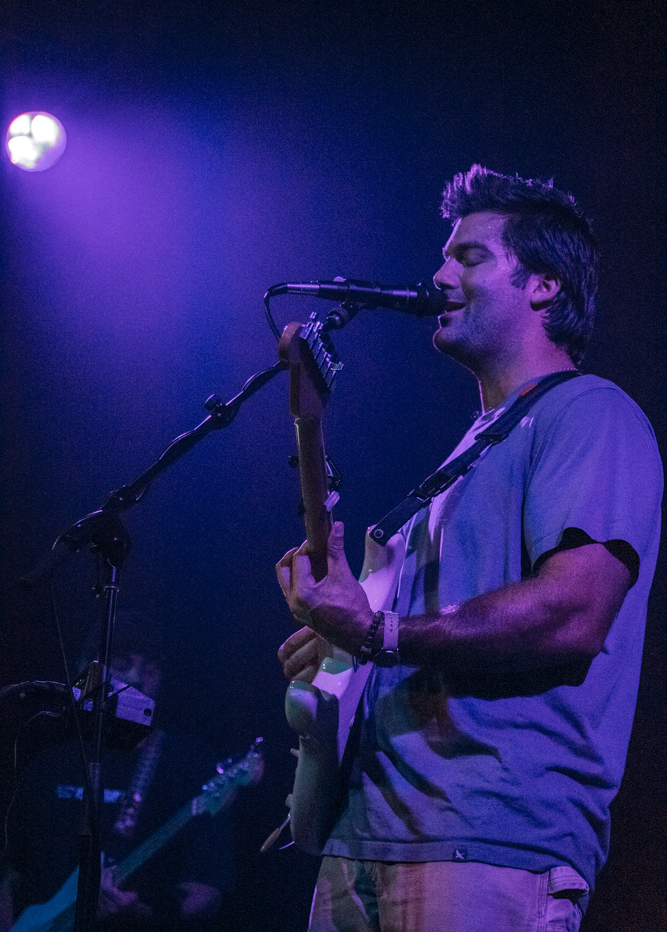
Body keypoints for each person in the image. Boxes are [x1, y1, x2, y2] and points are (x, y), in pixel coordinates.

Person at [276, 165, 663, 932]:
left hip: (491, 839)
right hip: (365, 838)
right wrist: (307, 424)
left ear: (543, 286)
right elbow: (360, 615)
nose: (438, 274)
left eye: (469, 258)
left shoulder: (590, 412)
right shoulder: (466, 455)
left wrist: (375, 634)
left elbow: (572, 612)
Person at [0, 611, 233, 931]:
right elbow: (12, 873)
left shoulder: (186, 761)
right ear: (87, 671)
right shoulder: (48, 758)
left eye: (150, 669)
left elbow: (208, 886)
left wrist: (144, 909)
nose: (137, 680)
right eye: (122, 665)